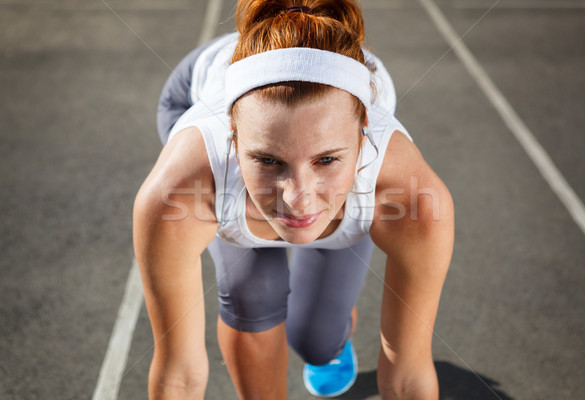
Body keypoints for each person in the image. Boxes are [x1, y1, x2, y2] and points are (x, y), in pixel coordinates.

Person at [133, 1, 454, 399]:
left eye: (327, 160)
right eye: (267, 160)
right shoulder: (178, 190)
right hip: (194, 93)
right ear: (232, 134)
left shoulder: (410, 197)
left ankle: (333, 336)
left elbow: (408, 376)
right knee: (253, 292)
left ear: (363, 133)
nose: (298, 199)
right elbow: (177, 375)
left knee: (318, 340)